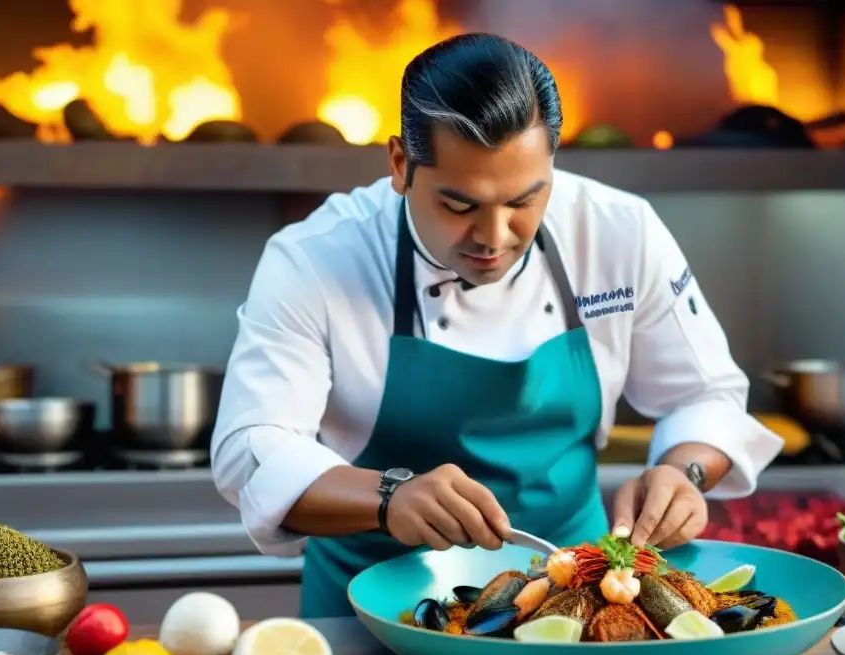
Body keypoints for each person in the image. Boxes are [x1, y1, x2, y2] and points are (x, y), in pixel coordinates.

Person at [210, 32, 783, 619]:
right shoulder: (315, 257)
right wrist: (388, 495)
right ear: (401, 165)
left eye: (524, 201)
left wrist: (680, 471)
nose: (494, 236)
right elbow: (251, 452)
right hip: (371, 611)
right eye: (459, 206)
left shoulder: (619, 231)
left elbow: (705, 395)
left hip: (570, 605)